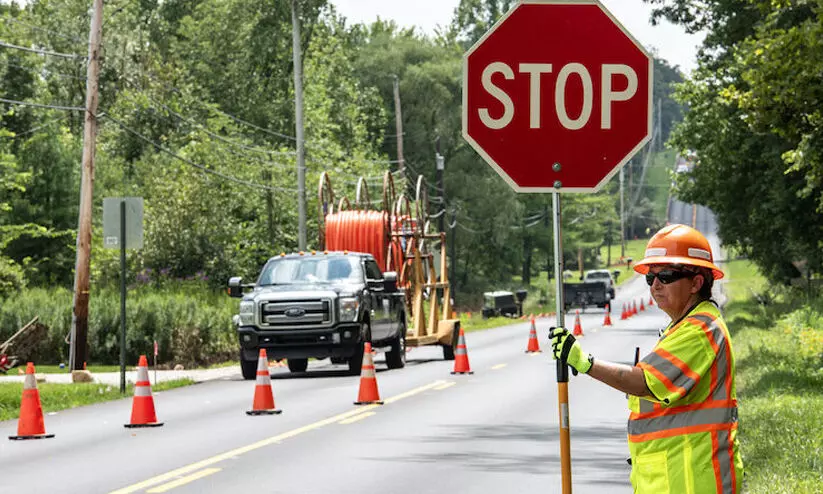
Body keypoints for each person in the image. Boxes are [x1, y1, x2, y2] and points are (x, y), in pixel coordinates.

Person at [550, 224, 743, 493]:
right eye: (650, 278)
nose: (655, 286)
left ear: (697, 283)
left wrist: (585, 362)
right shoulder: (684, 326)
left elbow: (643, 381)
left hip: (692, 480)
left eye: (665, 276)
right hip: (675, 476)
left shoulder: (701, 329)